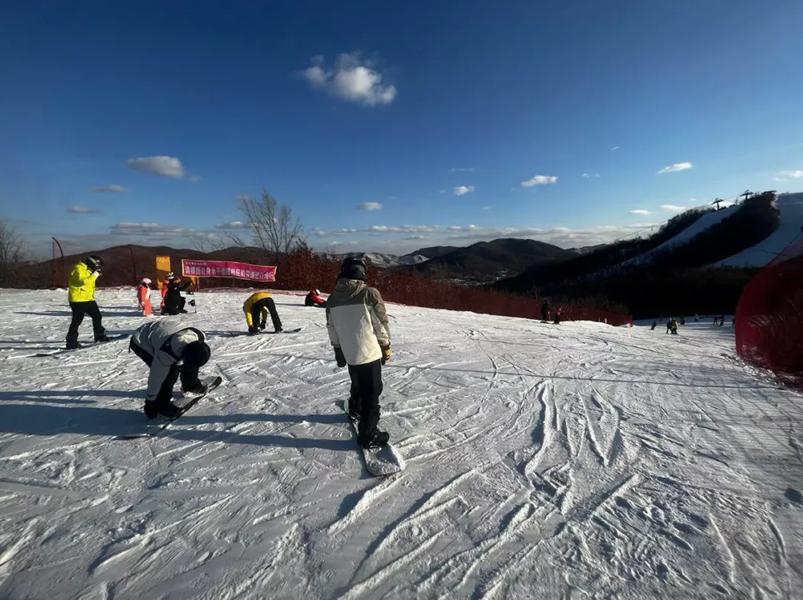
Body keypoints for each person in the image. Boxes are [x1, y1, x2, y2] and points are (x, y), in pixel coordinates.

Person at [326, 257, 392, 449]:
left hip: (350, 353)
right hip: (369, 352)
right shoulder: (369, 293)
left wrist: (338, 349)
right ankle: (368, 434)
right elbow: (380, 323)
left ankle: (355, 408)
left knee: (357, 382)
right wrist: (385, 345)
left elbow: (331, 327)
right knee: (372, 391)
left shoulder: (332, 299)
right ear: (361, 272)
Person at [129, 320, 211, 418]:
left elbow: (193, 359)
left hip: (162, 331)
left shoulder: (199, 338)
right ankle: (161, 404)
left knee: (192, 362)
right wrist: (150, 401)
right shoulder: (166, 353)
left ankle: (190, 385)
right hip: (141, 340)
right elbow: (156, 378)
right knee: (169, 374)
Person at [66, 255, 109, 349]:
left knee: (97, 316)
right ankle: (71, 342)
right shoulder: (79, 269)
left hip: (88, 299)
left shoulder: (88, 270)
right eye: (97, 266)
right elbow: (84, 282)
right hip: (78, 300)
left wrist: (94, 273)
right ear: (92, 263)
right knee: (77, 321)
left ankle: (99, 336)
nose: (97, 269)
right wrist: (95, 275)